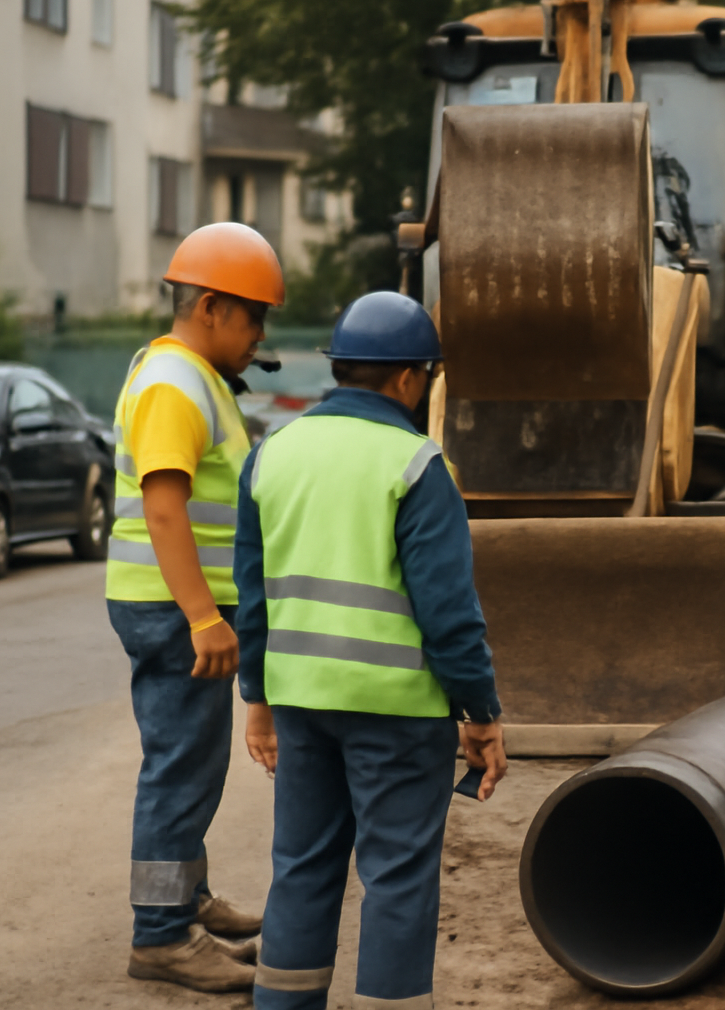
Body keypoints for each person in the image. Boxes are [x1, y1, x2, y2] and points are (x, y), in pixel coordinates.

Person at [234, 290, 507, 1010]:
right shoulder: (417, 465)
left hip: (301, 704)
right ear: (412, 378)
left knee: (301, 869)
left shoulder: (273, 453)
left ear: (340, 368)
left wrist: (256, 701)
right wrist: (480, 714)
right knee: (396, 876)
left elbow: (253, 599)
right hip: (397, 712)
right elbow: (449, 614)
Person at [107, 221, 285, 991]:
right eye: (255, 317)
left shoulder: (194, 376)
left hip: (187, 607)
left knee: (193, 763)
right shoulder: (174, 384)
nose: (261, 336)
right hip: (178, 609)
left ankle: (187, 902)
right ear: (211, 306)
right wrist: (204, 616)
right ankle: (161, 934)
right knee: (180, 769)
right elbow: (165, 509)